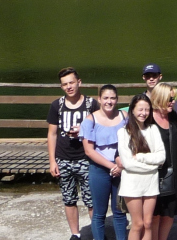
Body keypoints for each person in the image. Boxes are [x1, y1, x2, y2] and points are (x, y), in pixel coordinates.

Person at [47, 67, 99, 240]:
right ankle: (75, 234)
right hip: (64, 158)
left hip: (86, 158)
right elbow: (52, 134)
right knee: (69, 199)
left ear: (79, 82)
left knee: (92, 200)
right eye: (64, 84)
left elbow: (101, 129)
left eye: (71, 82)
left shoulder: (92, 104)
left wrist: (83, 131)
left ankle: (96, 233)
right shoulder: (57, 105)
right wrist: (52, 161)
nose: (69, 87)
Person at [81, 85, 128, 240]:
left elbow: (131, 142)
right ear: (99, 99)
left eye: (113, 98)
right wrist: (112, 166)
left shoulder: (124, 116)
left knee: (120, 212)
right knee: (99, 213)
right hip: (99, 170)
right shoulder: (90, 120)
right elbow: (89, 151)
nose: (109, 102)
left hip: (121, 169)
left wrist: (120, 166)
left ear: (117, 99)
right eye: (106, 98)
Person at [118, 94, 166, 240]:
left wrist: (140, 157)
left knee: (148, 222)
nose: (143, 113)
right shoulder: (123, 132)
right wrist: (152, 165)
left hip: (151, 182)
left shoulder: (153, 129)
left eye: (146, 109)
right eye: (140, 109)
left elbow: (161, 157)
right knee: (137, 224)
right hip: (132, 183)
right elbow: (127, 163)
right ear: (132, 110)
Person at [150, 83, 177, 240]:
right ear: (160, 98)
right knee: (155, 214)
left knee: (169, 214)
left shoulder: (173, 117)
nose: (173, 102)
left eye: (174, 99)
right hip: (154, 173)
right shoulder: (149, 118)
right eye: (170, 99)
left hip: (173, 169)